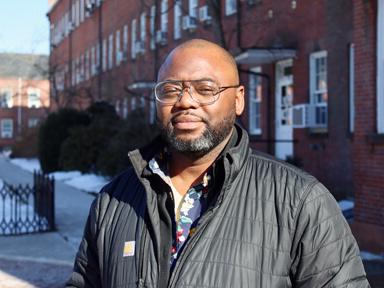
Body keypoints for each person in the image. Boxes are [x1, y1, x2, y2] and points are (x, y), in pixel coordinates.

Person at [66, 39, 369, 288]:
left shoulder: (300, 200)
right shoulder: (113, 201)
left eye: (205, 89)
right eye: (171, 90)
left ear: (238, 100)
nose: (185, 101)